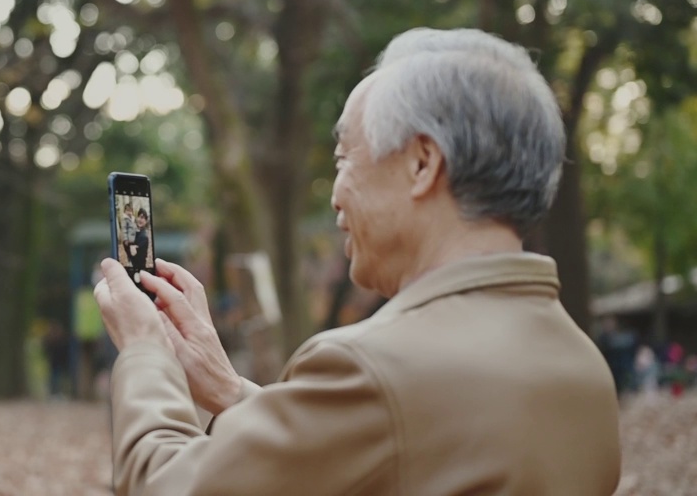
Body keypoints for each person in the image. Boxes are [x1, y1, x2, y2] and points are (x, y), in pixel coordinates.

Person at [93, 28, 621, 495]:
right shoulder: (582, 366)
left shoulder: (373, 368)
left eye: (345, 157)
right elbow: (403, 454)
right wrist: (232, 392)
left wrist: (146, 353)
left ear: (422, 163)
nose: (336, 195)